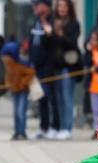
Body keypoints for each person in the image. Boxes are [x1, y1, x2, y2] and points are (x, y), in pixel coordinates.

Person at [50, 0, 81, 140]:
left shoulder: (74, 24)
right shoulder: (53, 23)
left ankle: (67, 128)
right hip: (56, 65)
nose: (61, 8)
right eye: (59, 6)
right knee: (58, 99)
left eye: (64, 6)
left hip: (68, 65)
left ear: (69, 8)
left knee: (67, 97)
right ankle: (61, 127)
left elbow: (72, 43)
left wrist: (60, 33)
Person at [30, 0, 60, 139]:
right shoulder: (36, 21)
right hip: (36, 66)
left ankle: (55, 126)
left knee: (52, 97)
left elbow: (54, 43)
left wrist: (50, 33)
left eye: (38, 4)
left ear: (46, 6)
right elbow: (32, 41)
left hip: (49, 66)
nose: (35, 7)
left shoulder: (53, 20)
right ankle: (44, 126)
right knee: (40, 97)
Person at [1, 38, 35, 140]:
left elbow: (30, 73)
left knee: (21, 111)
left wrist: (23, 83)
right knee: (16, 111)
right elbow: (10, 74)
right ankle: (17, 132)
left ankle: (22, 132)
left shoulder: (27, 62)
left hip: (23, 89)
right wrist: (8, 83)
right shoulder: (12, 62)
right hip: (15, 88)